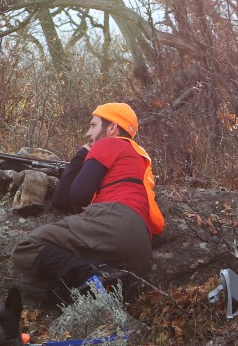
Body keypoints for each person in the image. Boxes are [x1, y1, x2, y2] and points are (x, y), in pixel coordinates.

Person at [10, 102, 164, 305]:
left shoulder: (110, 143)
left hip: (114, 221)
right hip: (140, 249)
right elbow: (66, 199)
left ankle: (93, 274)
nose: (88, 133)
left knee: (26, 249)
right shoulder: (135, 158)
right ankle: (96, 289)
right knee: (28, 285)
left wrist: (82, 154)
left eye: (93, 125)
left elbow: (72, 197)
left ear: (112, 128)